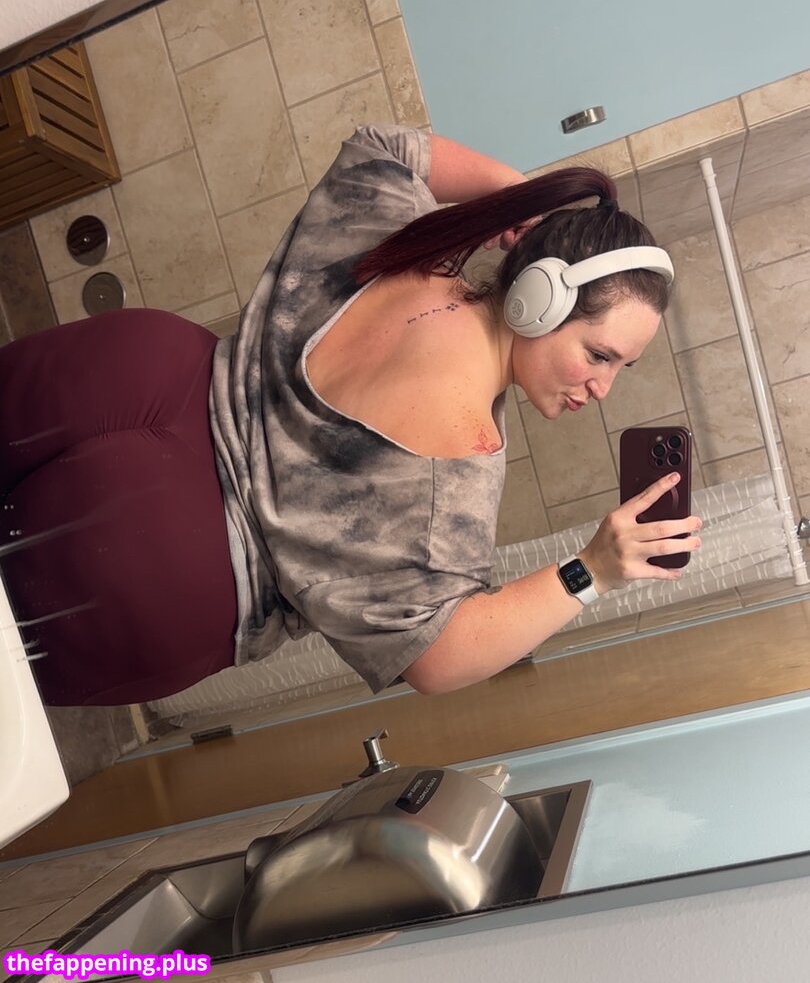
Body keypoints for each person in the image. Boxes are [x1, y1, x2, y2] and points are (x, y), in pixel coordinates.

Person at [0, 125, 702, 706]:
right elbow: (437, 657)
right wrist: (593, 571)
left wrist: (521, 202)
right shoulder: (457, 470)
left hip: (128, 372)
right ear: (540, 300)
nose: (602, 387)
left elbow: (387, 145)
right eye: (600, 354)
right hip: (159, 566)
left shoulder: (406, 239)